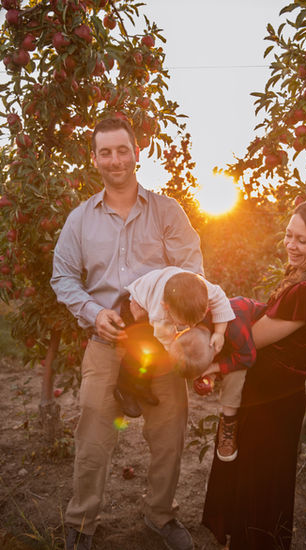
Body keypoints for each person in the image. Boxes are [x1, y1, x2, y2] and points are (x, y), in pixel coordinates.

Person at [51, 116, 204, 550]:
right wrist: (93, 312)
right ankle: (81, 521)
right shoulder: (80, 219)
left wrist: (160, 309)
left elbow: (191, 269)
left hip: (159, 346)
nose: (115, 160)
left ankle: (161, 515)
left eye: (123, 150)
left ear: (138, 153)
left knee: (169, 433)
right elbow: (62, 276)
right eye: (106, 152)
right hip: (105, 343)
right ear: (94, 158)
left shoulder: (167, 211)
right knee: (94, 436)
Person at [201, 199, 306, 550]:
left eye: (302, 240)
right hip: (269, 397)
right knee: (254, 491)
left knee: (259, 493)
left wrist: (214, 344)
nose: (291, 246)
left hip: (270, 407)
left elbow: (255, 340)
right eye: (288, 235)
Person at [114, 267, 235, 420]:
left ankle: (142, 385)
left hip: (161, 295)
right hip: (136, 305)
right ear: (167, 307)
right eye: (184, 323)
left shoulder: (203, 288)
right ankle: (124, 389)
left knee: (153, 353)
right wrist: (176, 349)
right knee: (140, 350)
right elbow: (164, 337)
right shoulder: (160, 312)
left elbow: (221, 300)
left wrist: (219, 332)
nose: (189, 326)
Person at [169, 297, 265, 461]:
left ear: (215, 347)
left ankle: (229, 420)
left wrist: (214, 368)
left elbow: (247, 357)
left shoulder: (234, 327)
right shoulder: (196, 322)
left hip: (258, 329)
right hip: (232, 341)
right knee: (225, 367)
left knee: (236, 373)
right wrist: (209, 376)